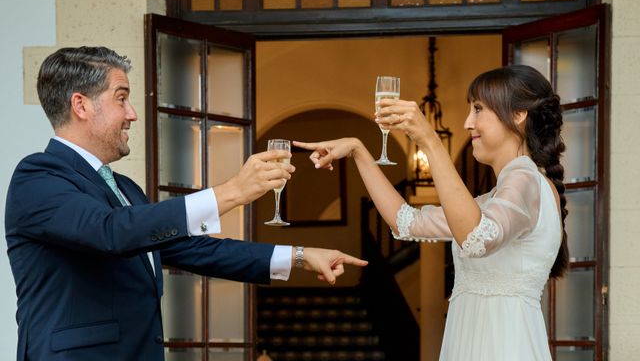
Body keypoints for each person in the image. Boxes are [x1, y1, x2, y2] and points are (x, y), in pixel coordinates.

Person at [5, 46, 367, 361]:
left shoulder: (126, 189)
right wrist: (232, 192)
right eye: (121, 98)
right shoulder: (37, 178)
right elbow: (111, 233)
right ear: (80, 105)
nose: (132, 113)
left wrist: (300, 256)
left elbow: (194, 251)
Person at [295, 65, 568, 361]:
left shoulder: (524, 177)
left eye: (478, 109)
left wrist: (430, 140)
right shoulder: (497, 198)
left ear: (518, 115)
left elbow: (476, 238)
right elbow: (408, 222)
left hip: (501, 346)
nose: (467, 122)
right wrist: (358, 152)